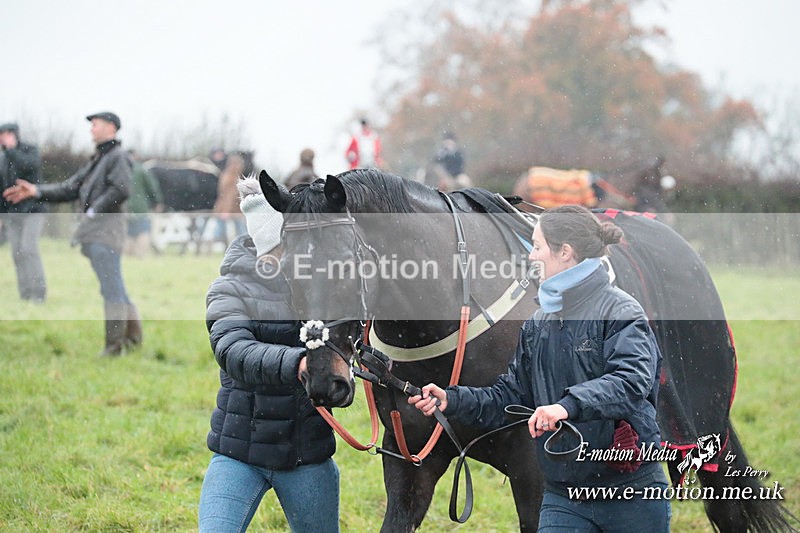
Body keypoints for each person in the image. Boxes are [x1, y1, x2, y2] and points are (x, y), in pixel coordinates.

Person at [409, 205, 670, 532]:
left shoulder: (621, 310)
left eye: (537, 246)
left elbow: (631, 382)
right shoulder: (537, 324)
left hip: (628, 491)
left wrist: (566, 406)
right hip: (562, 497)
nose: (531, 256)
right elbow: (509, 396)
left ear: (565, 252)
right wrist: (452, 400)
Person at [199, 175, 339, 532]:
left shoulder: (320, 288)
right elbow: (233, 351)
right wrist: (300, 363)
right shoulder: (227, 289)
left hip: (307, 455)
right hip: (238, 455)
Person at [3, 111, 142, 356]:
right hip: (96, 235)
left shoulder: (117, 157)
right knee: (113, 286)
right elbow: (70, 188)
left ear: (111, 127)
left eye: (95, 124)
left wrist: (94, 211)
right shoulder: (99, 159)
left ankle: (114, 346)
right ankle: (133, 339)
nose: (91, 129)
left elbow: (121, 189)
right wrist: (36, 191)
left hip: (106, 234)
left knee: (112, 289)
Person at [0, 122, 47, 302]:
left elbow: (30, 167)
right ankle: (25, 294)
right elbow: (2, 188)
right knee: (17, 253)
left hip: (33, 210)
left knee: (29, 248)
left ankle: (38, 294)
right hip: (12, 213)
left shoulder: (30, 150)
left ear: (13, 134)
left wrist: (12, 150)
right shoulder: (3, 157)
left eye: (4, 134)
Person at [124, 150, 164, 257]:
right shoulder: (141, 170)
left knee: (128, 234)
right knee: (143, 232)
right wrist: (157, 202)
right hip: (140, 208)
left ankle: (128, 256)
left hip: (124, 208)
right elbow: (153, 187)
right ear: (135, 156)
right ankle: (141, 255)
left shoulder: (120, 170)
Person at [211, 149, 247, 247]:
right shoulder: (232, 177)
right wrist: (226, 210)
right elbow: (229, 195)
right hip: (231, 208)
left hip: (224, 207)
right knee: (241, 232)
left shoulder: (225, 174)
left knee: (222, 230)